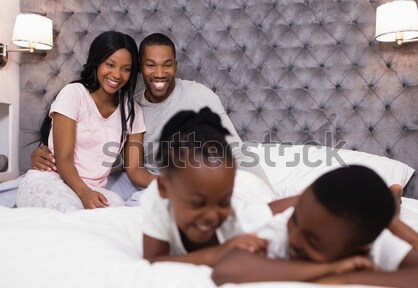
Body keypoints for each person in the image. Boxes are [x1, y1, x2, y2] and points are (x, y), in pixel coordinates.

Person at [30, 32, 271, 203]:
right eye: (150, 65)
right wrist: (45, 151)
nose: (159, 73)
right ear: (141, 68)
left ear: (175, 66)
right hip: (97, 185)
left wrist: (268, 194)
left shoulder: (195, 97)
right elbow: (101, 158)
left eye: (167, 65)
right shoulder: (128, 105)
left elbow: (236, 152)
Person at [211, 166, 418, 288]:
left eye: (314, 241)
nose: (294, 240)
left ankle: (393, 200)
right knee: (276, 210)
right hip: (280, 209)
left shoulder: (376, 244)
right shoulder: (285, 228)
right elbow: (227, 269)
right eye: (295, 223)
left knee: (390, 214)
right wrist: (329, 270)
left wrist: (346, 279)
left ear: (361, 249)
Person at [15, 31, 147, 212]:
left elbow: (135, 170)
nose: (117, 74)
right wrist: (84, 193)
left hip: (96, 190)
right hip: (55, 181)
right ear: (97, 62)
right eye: (110, 64)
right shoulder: (74, 94)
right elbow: (64, 159)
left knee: (117, 214)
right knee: (72, 217)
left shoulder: (132, 111)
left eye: (126, 68)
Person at [141, 107, 278, 266]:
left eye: (223, 203)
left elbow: (276, 208)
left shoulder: (241, 219)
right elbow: (153, 261)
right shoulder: (156, 200)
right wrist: (219, 252)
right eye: (197, 203)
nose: (212, 216)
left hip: (249, 189)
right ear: (163, 189)